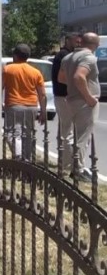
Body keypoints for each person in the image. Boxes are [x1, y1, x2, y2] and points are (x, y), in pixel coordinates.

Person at [58, 32, 101, 181]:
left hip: (71, 99)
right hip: (84, 102)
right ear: (96, 45)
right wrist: (89, 97)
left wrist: (74, 88)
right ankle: (79, 169)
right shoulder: (89, 57)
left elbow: (61, 78)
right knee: (83, 136)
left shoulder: (68, 57)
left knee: (72, 134)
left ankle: (69, 166)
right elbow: (79, 76)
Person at [2, 44, 46, 160]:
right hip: (31, 105)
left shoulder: (7, 69)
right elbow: (42, 94)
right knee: (28, 134)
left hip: (14, 104)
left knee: (12, 133)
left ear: (15, 56)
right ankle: (28, 159)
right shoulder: (35, 72)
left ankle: (18, 155)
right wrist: (43, 111)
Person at [51, 32, 81, 173]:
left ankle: (65, 161)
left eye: (80, 41)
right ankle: (69, 166)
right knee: (68, 132)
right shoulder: (65, 55)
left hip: (63, 96)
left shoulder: (64, 55)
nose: (78, 44)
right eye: (76, 41)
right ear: (68, 40)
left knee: (65, 130)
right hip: (64, 96)